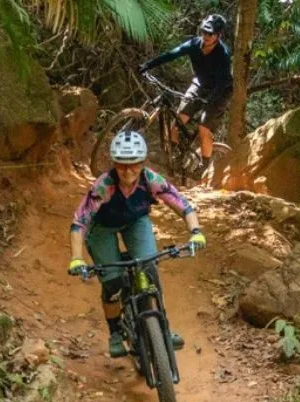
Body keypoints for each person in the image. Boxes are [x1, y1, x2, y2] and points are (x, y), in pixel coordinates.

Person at [68, 131, 206, 358]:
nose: (128, 170)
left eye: (134, 164)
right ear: (114, 164)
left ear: (142, 163)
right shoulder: (104, 186)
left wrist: (196, 232)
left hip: (135, 222)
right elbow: (79, 222)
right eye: (122, 165)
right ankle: (115, 334)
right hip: (102, 228)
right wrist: (76, 258)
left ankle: (162, 327)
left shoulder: (150, 180)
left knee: (148, 269)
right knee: (112, 282)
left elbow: (183, 206)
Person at [138, 14, 232, 178]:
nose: (206, 36)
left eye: (210, 34)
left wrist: (210, 101)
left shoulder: (223, 54)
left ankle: (203, 166)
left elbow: (223, 82)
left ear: (218, 35)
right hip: (200, 84)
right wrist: (148, 65)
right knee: (177, 120)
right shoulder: (194, 45)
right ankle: (173, 156)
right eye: (204, 32)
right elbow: (171, 54)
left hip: (220, 90)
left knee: (204, 127)